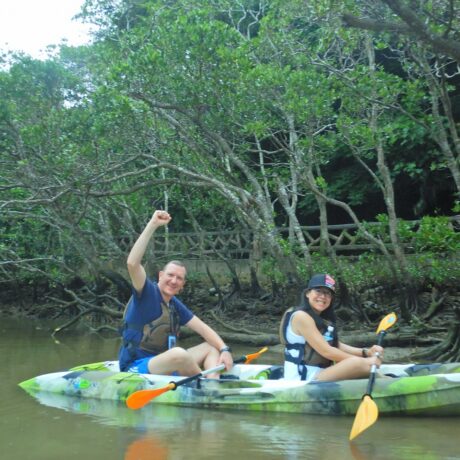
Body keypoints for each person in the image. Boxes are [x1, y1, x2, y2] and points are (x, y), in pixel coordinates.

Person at [118, 209, 233, 378]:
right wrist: (153, 224)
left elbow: (203, 328)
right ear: (160, 276)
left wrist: (225, 349)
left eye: (179, 278)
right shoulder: (147, 292)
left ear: (182, 285)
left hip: (162, 362)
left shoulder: (174, 305)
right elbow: (132, 263)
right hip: (134, 367)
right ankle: (204, 387)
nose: (174, 281)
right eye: (170, 275)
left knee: (211, 347)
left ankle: (213, 385)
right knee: (179, 354)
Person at [279, 273, 383, 382]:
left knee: (364, 366)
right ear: (308, 293)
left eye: (327, 293)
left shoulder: (320, 318)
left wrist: (365, 352)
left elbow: (335, 345)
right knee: (360, 364)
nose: (323, 296)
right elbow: (327, 351)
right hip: (303, 378)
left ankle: (385, 380)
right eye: (318, 291)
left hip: (320, 373)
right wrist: (363, 362)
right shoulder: (301, 316)